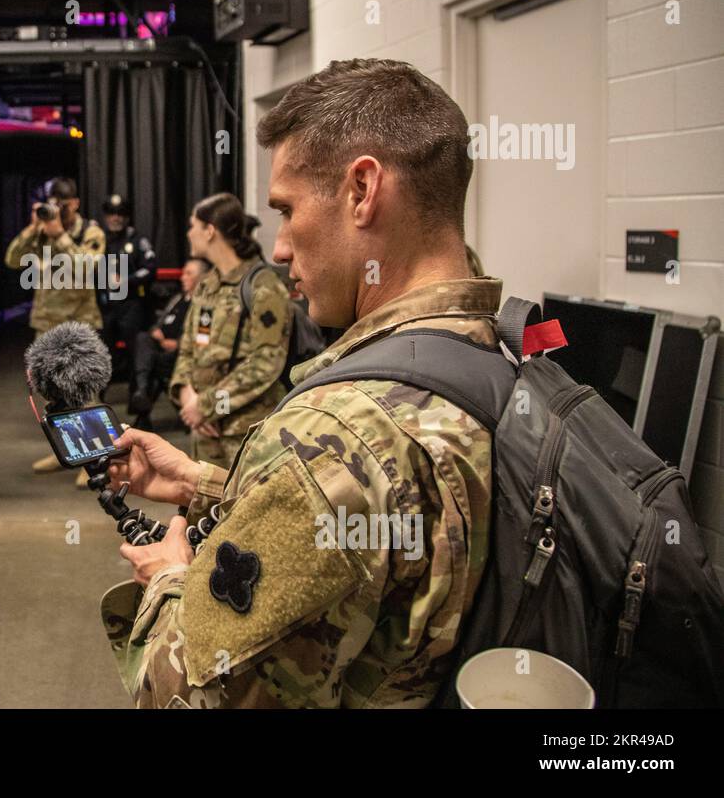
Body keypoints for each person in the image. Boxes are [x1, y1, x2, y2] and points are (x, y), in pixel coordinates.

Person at [101, 58, 501, 709]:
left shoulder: (336, 436)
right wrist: (208, 485)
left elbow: (193, 694)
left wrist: (169, 582)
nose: (281, 246)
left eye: (287, 210)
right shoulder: (486, 352)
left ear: (362, 190)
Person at [168, 193, 291, 468]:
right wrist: (187, 395)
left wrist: (206, 405)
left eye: (193, 226)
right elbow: (188, 347)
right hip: (204, 429)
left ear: (210, 231)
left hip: (244, 432)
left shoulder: (263, 287)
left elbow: (266, 361)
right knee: (203, 507)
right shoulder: (207, 285)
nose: (189, 233)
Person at [4, 177, 106, 474]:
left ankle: (97, 461)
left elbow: (87, 267)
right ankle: (67, 451)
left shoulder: (90, 231)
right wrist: (32, 229)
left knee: (85, 394)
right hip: (46, 323)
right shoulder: (42, 233)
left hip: (79, 324)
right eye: (52, 204)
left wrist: (60, 235)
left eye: (62, 204)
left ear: (74, 203)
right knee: (52, 394)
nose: (57, 210)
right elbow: (12, 259)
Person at [127, 257, 209, 431]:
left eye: (189, 273)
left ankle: (142, 399)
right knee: (143, 340)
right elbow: (161, 321)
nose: (182, 277)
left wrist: (177, 344)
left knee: (148, 364)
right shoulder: (177, 299)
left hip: (179, 355)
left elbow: (202, 338)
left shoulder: (204, 304)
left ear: (201, 278)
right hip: (159, 349)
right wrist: (157, 332)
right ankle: (142, 390)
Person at [99, 194, 157, 383]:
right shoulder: (98, 241)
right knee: (100, 352)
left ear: (127, 216)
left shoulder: (137, 240)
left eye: (120, 213)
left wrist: (125, 280)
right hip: (105, 307)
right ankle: (98, 394)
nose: (116, 218)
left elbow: (150, 269)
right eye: (111, 213)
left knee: (135, 351)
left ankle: (138, 392)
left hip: (131, 304)